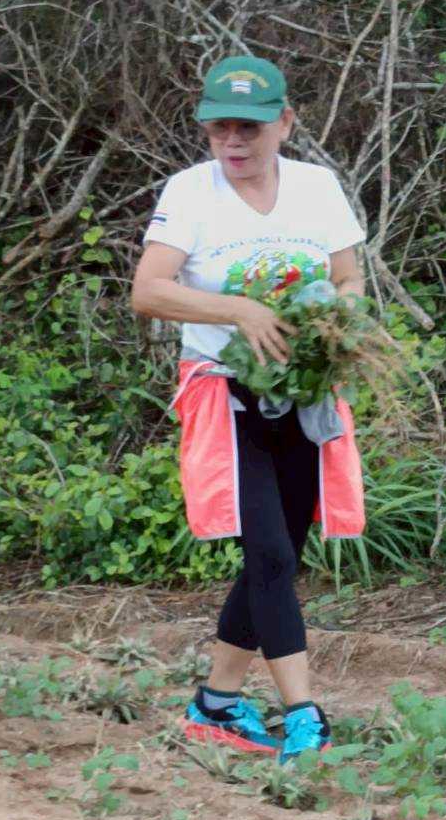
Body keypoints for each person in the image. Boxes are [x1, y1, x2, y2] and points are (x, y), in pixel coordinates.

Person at [131, 55, 367, 762]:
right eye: (219, 128)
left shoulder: (317, 189)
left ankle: (215, 706)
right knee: (266, 552)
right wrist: (238, 309)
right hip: (226, 394)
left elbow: (348, 278)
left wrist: (335, 325)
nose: (232, 141)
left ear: (284, 123)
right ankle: (304, 714)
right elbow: (149, 289)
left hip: (303, 394)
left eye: (249, 128)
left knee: (279, 557)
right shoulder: (191, 192)